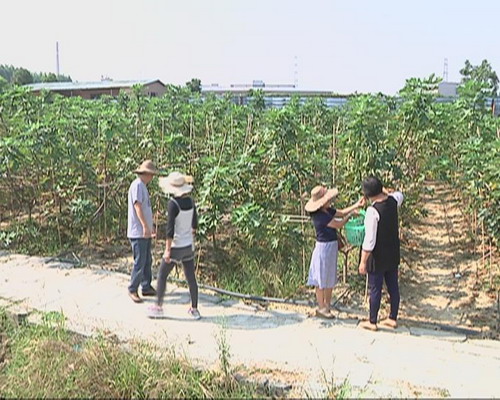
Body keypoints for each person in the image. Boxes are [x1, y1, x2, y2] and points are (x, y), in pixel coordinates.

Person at [305, 185, 364, 319]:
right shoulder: (319, 216)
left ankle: (327, 305)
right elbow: (339, 224)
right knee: (320, 279)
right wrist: (350, 216)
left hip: (331, 246)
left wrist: (356, 205)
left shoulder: (326, 211)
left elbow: (341, 212)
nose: (330, 202)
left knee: (329, 277)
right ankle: (321, 307)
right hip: (323, 248)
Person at [148, 172, 200, 320]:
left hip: (176, 246)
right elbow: (194, 226)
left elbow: (170, 230)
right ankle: (194, 309)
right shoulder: (191, 202)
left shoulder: (173, 204)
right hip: (188, 245)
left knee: (162, 275)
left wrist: (167, 251)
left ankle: (158, 307)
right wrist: (189, 238)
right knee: (191, 277)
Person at [358, 176, 404, 331]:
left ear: (367, 195)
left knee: (375, 288)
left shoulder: (372, 211)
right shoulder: (393, 201)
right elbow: (399, 194)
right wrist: (384, 191)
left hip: (378, 256)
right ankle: (392, 318)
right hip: (392, 252)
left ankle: (372, 321)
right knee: (393, 287)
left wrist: (363, 261)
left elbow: (369, 241)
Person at [127, 160, 158, 303]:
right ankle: (133, 288)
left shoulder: (142, 186)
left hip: (144, 231)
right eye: (151, 174)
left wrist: (149, 227)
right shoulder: (138, 185)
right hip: (138, 232)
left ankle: (146, 286)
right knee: (140, 261)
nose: (152, 177)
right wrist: (145, 226)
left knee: (147, 260)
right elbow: (138, 207)